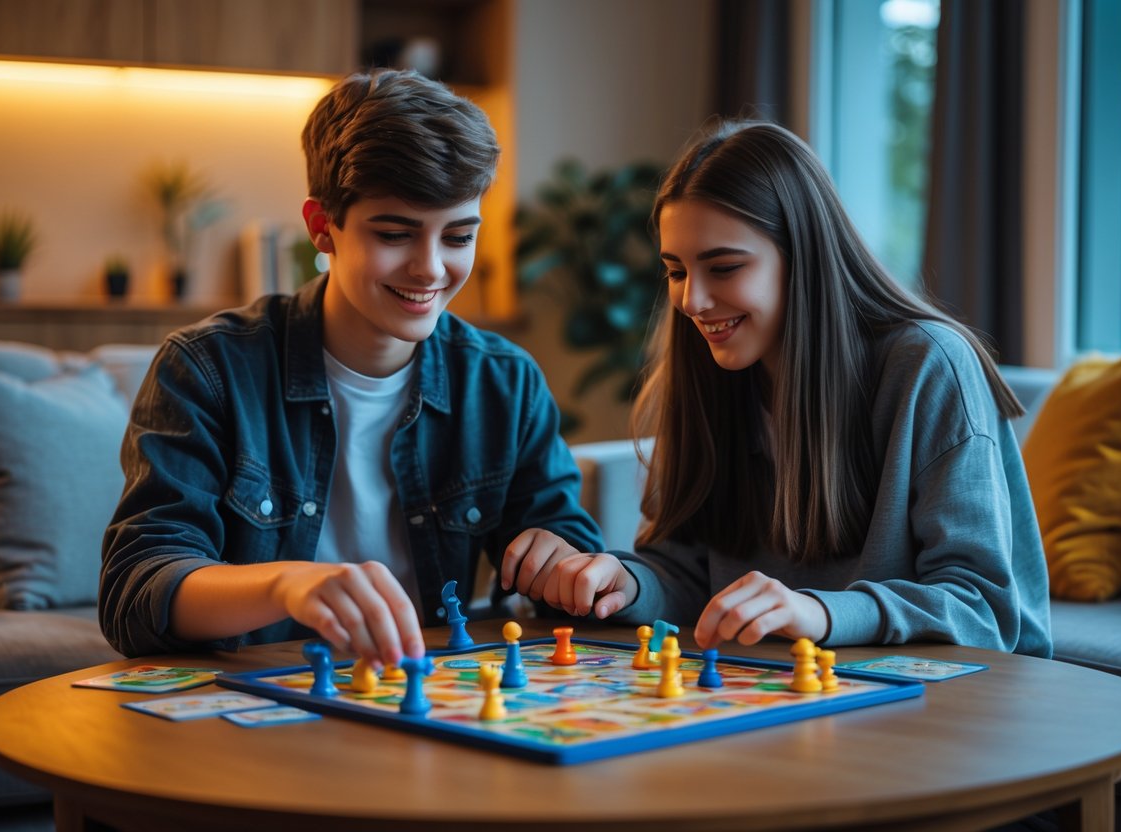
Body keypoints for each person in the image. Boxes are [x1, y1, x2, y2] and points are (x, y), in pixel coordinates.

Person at [100, 69, 603, 663]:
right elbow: (135, 593)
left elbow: (575, 564)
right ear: (322, 228)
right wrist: (287, 586)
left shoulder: (503, 382)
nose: (430, 269)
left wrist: (566, 563)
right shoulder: (207, 369)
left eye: (459, 237)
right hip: (263, 705)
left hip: (428, 698)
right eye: (395, 234)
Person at [501, 119, 1052, 658]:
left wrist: (819, 613)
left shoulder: (929, 364)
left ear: (802, 260)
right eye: (676, 272)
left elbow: (984, 609)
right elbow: (690, 576)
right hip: (793, 697)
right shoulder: (707, 376)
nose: (692, 302)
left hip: (952, 703)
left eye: (724, 268)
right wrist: (626, 582)